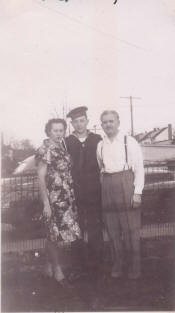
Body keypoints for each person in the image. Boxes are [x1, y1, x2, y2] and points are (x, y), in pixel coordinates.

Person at [97, 110, 144, 279]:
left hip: (126, 182)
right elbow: (101, 166)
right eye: (104, 122)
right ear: (101, 125)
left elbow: (139, 169)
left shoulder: (129, 142)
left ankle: (135, 267)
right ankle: (119, 264)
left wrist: (137, 193)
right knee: (112, 229)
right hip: (108, 185)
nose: (108, 124)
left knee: (131, 229)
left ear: (118, 122)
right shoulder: (100, 145)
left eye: (111, 121)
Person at [36, 118, 81, 287]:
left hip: (66, 198)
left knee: (56, 234)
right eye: (55, 131)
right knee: (53, 235)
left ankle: (48, 266)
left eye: (61, 130)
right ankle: (57, 271)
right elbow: (40, 178)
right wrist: (46, 203)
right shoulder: (45, 149)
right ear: (48, 132)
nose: (58, 134)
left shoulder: (62, 147)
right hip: (53, 199)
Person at [66, 106, 103, 278]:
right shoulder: (67, 141)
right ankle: (79, 266)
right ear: (71, 123)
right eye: (76, 121)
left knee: (95, 227)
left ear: (87, 121)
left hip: (95, 190)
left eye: (82, 120)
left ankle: (98, 265)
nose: (79, 124)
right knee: (77, 228)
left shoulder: (97, 139)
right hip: (75, 191)